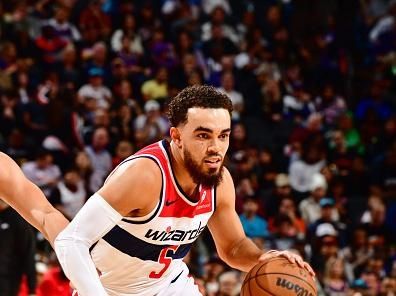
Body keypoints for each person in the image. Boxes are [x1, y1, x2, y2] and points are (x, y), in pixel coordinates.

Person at [3, 85, 313, 296]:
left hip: (168, 286)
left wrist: (264, 259)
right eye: (203, 135)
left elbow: (232, 249)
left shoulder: (220, 181)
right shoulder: (145, 176)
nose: (215, 147)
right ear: (177, 137)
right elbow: (71, 239)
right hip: (110, 290)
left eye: (223, 136)